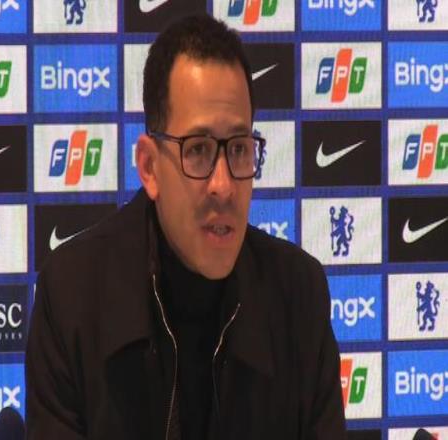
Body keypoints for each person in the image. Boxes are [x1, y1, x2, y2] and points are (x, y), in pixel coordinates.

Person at [25, 14, 347, 440]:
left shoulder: (298, 295)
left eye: (238, 149)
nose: (223, 186)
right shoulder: (72, 297)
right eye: (197, 150)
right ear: (149, 167)